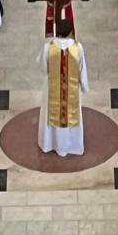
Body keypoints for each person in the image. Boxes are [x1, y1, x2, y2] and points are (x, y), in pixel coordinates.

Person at [38, 22, 89, 155]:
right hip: (71, 89)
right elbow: (82, 68)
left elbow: (43, 67)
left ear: (57, 31)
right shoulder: (77, 47)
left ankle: (51, 144)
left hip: (52, 88)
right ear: (71, 32)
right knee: (70, 115)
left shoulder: (48, 47)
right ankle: (71, 145)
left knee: (51, 113)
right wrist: (84, 85)